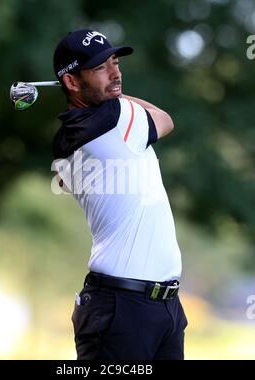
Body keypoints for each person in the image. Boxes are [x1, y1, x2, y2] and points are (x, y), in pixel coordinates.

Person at [52, 29, 188, 360]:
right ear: (71, 82)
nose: (116, 74)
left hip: (158, 307)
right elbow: (166, 120)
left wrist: (108, 91)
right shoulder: (116, 119)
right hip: (123, 311)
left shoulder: (71, 135)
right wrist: (120, 96)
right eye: (101, 68)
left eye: (115, 62)